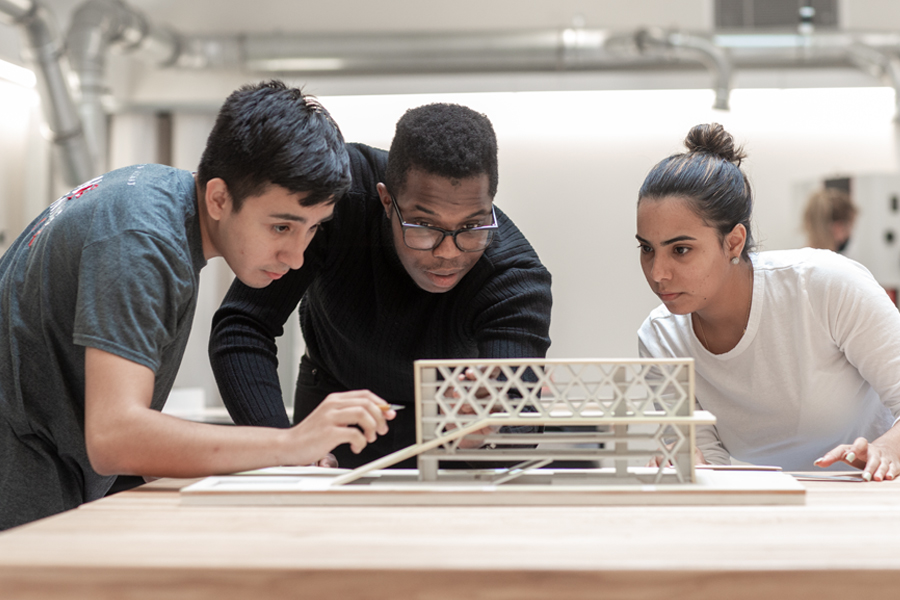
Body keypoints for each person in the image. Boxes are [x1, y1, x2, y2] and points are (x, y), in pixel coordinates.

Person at [0, 80, 396, 531]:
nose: (297, 256)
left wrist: (269, 465)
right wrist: (291, 444)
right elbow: (114, 435)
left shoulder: (155, 202)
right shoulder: (144, 241)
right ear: (219, 198)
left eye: (313, 229)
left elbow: (126, 439)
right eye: (282, 227)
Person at [209, 103, 552, 469]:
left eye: (472, 226)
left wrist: (486, 430)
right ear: (387, 200)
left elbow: (519, 417)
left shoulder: (513, 276)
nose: (448, 252)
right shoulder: (333, 200)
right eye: (424, 225)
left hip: (449, 428)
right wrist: (277, 445)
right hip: (335, 396)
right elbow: (244, 326)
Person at [635, 123, 900, 480]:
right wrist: (686, 463)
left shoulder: (825, 285)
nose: (658, 273)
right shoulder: (661, 339)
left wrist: (886, 449)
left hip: (874, 491)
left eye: (680, 250)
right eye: (647, 249)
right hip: (778, 504)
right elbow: (706, 461)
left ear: (733, 242)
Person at [802, 186, 857, 252]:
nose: (849, 233)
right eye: (849, 227)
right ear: (838, 228)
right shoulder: (839, 262)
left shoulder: (791, 259)